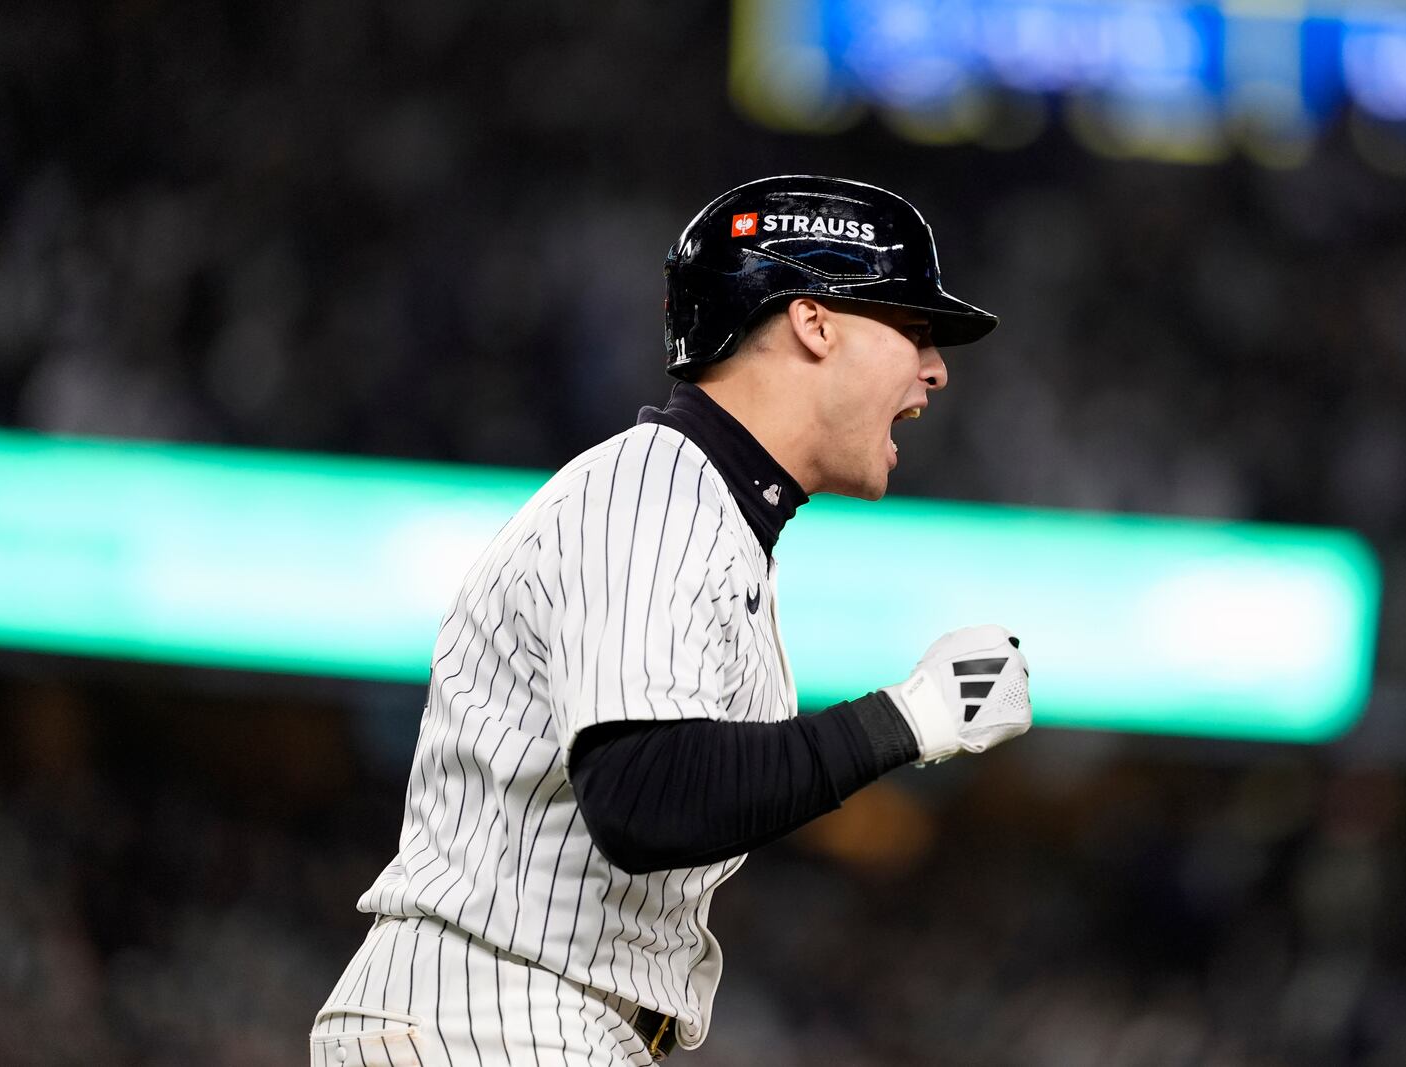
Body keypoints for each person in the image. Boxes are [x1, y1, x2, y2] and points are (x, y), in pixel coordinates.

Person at [309, 175, 1034, 1065]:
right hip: (491, 1012)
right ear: (815, 323)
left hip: (540, 1016)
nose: (936, 368)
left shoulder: (711, 516)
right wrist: (910, 716)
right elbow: (648, 796)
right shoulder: (657, 488)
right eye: (914, 330)